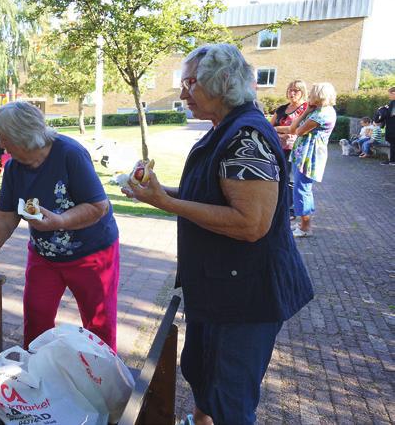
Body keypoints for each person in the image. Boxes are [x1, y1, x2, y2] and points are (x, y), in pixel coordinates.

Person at [124, 44, 313, 425]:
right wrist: (157, 194)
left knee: (231, 400)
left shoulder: (246, 138)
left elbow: (251, 223)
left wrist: (167, 203)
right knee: (205, 378)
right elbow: (212, 196)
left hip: (246, 298)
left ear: (222, 82)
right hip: (221, 289)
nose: (182, 94)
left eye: (190, 84)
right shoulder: (225, 129)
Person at [0, 101, 120, 351]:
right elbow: (5, 217)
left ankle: (104, 383)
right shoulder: (13, 167)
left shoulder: (69, 154)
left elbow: (99, 206)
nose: (0, 144)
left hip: (91, 254)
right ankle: (35, 376)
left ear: (22, 137)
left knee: (98, 324)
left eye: (3, 138)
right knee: (36, 318)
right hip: (44, 256)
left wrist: (60, 222)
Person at [289, 82, 338, 237]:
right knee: (302, 189)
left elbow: (296, 130)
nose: (309, 95)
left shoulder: (321, 114)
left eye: (312, 93)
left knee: (301, 190)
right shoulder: (320, 111)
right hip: (305, 155)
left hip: (309, 157)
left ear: (319, 95)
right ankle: (304, 224)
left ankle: (305, 228)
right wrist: (307, 111)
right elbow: (293, 128)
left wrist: (304, 113)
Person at [270, 80, 309, 216]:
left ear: (302, 92)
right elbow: (270, 126)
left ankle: (290, 209)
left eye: (296, 90)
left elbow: (299, 129)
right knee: (278, 177)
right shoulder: (281, 109)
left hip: (295, 149)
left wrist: (278, 130)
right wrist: (277, 132)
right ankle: (280, 206)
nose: (292, 93)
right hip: (278, 147)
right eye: (290, 90)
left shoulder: (306, 109)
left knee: (290, 179)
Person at [374, 86, 395, 165]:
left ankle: (392, 160)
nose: (389, 96)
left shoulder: (393, 103)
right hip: (391, 127)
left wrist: (382, 111)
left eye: (390, 94)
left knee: (393, 143)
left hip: (392, 128)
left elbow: (390, 114)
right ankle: (392, 160)